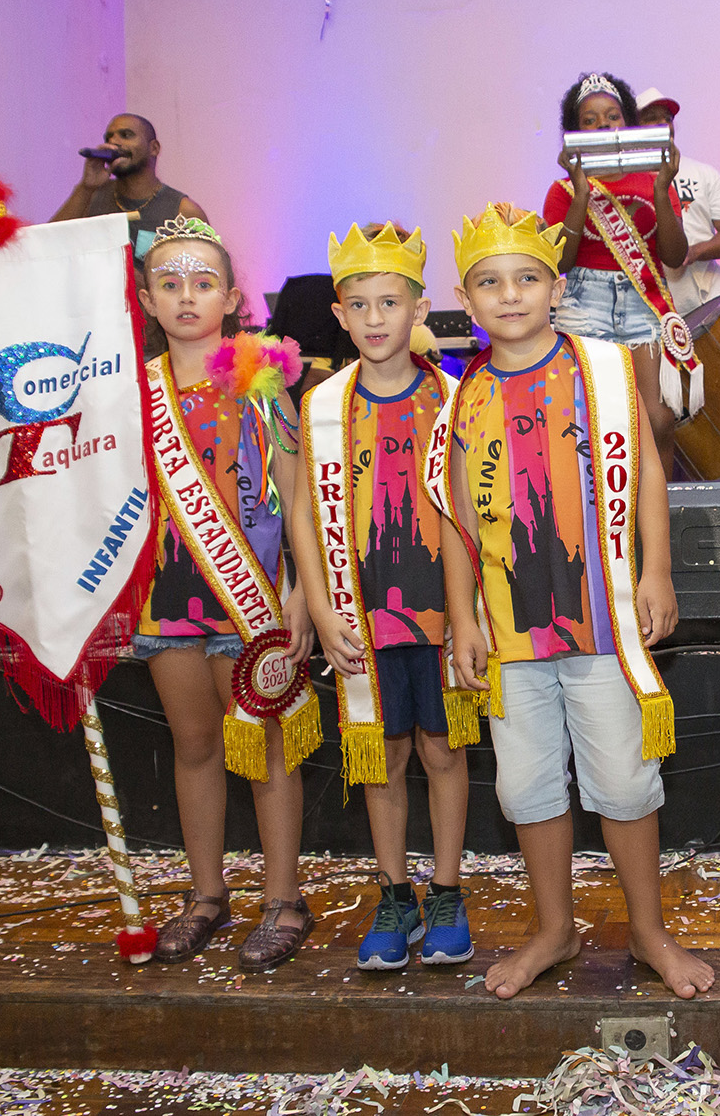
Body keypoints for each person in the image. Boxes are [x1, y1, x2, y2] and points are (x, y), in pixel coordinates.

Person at [439, 203, 711, 1001]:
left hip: (600, 620)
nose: (510, 294)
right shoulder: (461, 398)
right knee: (526, 787)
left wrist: (655, 571)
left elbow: (651, 476)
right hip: (510, 630)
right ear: (466, 296)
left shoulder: (603, 367)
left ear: (556, 287)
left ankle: (648, 931)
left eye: (526, 278)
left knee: (624, 784)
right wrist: (461, 616)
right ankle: (553, 930)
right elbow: (452, 516)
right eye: (490, 282)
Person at [133, 217, 319, 971]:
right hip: (168, 595)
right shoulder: (133, 391)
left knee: (268, 749)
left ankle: (284, 898)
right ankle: (205, 894)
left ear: (233, 297)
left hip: (252, 598)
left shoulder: (260, 376)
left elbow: (298, 493)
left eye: (203, 283)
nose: (186, 297)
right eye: (170, 284)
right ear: (147, 298)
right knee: (195, 742)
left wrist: (305, 591)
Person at [292, 222, 473, 971]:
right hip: (362, 608)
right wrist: (318, 602)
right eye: (358, 304)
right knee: (382, 754)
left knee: (443, 747)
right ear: (337, 314)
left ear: (418, 308)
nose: (374, 318)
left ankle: (449, 891)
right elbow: (304, 509)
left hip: (439, 608)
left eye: (389, 301)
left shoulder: (455, 396)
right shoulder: (323, 404)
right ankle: (393, 891)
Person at [543, 73, 687, 476]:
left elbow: (675, 257)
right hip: (584, 300)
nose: (603, 124)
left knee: (658, 420)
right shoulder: (562, 191)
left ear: (629, 124)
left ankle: (658, 525)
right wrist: (581, 193)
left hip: (643, 301)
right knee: (590, 421)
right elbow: (561, 262)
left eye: (612, 116)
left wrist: (662, 190)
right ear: (573, 132)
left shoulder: (655, 179)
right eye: (589, 120)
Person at [636, 88, 720, 316]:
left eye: (667, 118)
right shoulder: (626, 181)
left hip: (710, 305)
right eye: (651, 118)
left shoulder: (702, 172)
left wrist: (693, 252)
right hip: (650, 312)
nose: (663, 124)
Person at [52, 114, 208, 258]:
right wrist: (86, 187)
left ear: (154, 148)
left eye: (126, 135)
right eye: (108, 138)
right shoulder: (91, 196)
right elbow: (47, 245)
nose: (113, 142)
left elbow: (203, 276)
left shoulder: (183, 211)